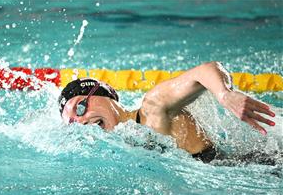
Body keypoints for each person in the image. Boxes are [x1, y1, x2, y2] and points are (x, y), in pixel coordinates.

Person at [58, 62, 276, 163]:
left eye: (80, 107)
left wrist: (224, 94)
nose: (82, 121)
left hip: (260, 167)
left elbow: (203, 72)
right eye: (73, 122)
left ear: (102, 94)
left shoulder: (152, 108)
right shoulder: (122, 144)